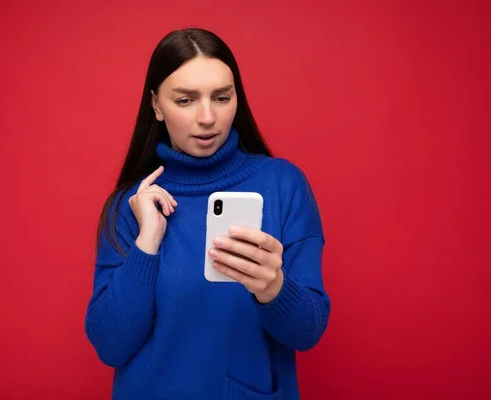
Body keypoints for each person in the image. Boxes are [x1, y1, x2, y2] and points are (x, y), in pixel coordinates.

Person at [85, 27, 330, 400]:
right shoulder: (132, 205)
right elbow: (110, 345)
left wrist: (273, 288)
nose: (207, 117)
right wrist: (146, 243)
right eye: (185, 100)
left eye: (221, 97)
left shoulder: (283, 184)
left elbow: (308, 331)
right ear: (156, 105)